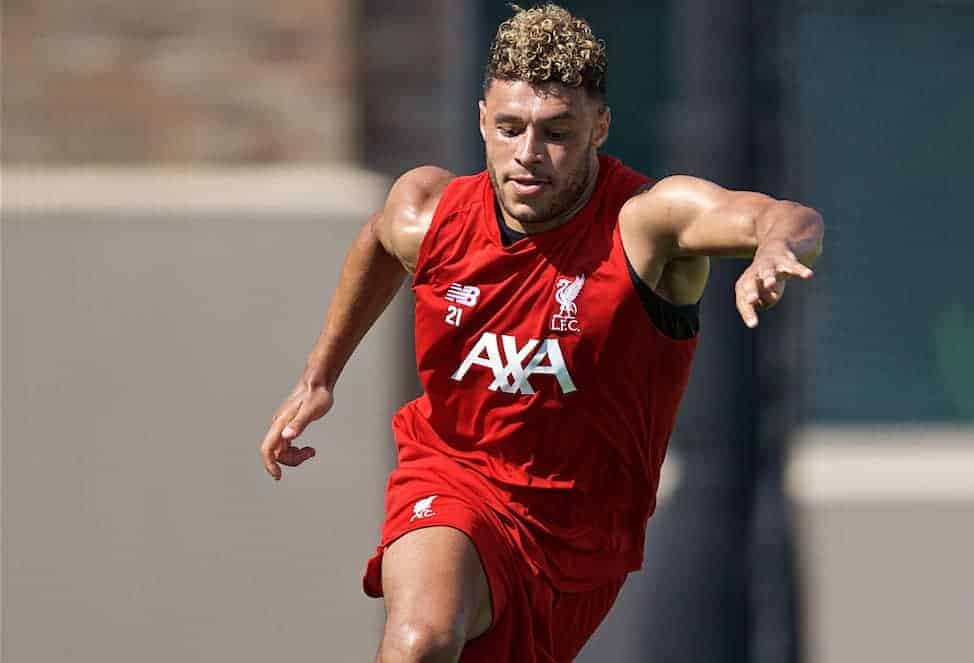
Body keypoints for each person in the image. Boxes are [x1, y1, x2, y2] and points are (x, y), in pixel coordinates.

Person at [258, 4, 823, 662]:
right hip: (451, 474)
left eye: (556, 131)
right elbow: (380, 242)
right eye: (509, 128)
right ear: (482, 121)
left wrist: (775, 249)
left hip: (578, 542)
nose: (528, 156)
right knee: (421, 639)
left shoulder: (643, 224)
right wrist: (317, 376)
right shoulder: (429, 212)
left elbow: (783, 215)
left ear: (598, 127)